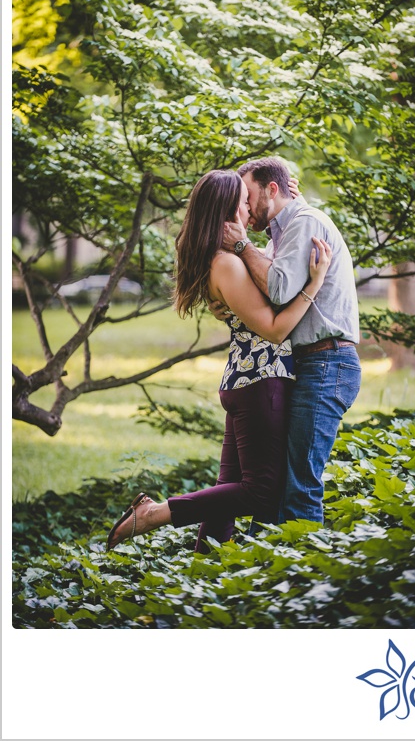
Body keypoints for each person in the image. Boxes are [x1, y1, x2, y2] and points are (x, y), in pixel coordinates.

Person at [107, 169, 332, 552]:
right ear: (227, 210)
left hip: (244, 379)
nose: (250, 208)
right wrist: (313, 284)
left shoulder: (223, 258)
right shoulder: (226, 264)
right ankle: (153, 515)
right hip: (261, 379)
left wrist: (293, 201)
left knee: (226, 491)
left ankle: (204, 573)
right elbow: (275, 329)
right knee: (261, 493)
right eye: (244, 202)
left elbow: (271, 271)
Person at [220, 157, 361, 525]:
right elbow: (264, 292)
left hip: (328, 363)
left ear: (272, 189)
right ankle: (272, 568)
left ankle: (305, 575)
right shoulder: (283, 232)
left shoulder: (306, 222)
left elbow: (280, 290)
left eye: (249, 197)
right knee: (279, 481)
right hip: (310, 363)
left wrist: (240, 247)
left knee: (301, 484)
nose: (246, 208)